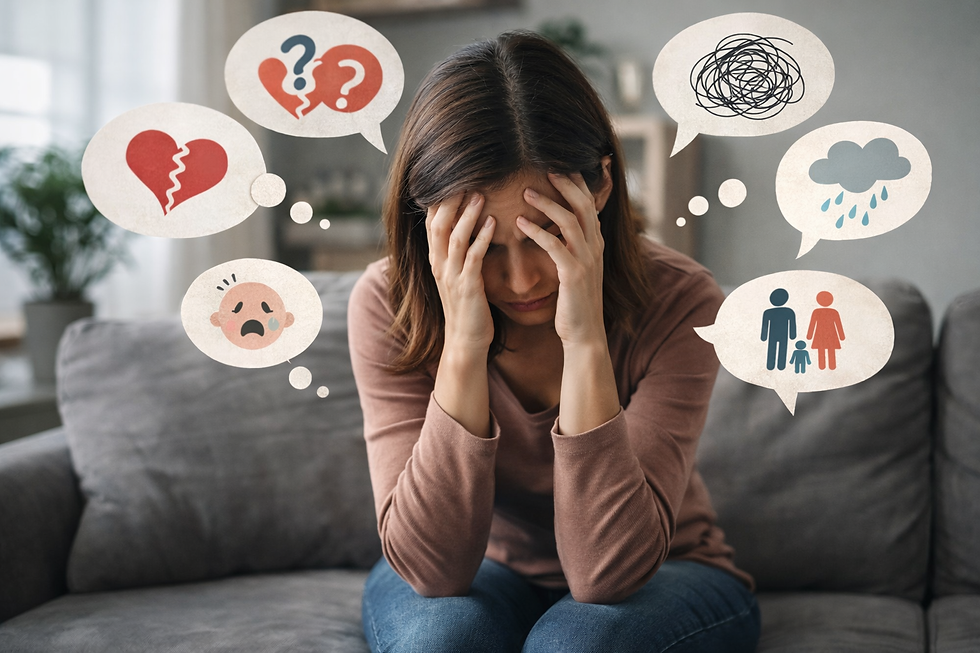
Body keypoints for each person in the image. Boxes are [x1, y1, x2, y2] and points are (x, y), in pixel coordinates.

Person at [347, 31, 759, 653]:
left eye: (543, 237)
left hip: (666, 569)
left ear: (599, 187)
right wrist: (462, 344)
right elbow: (434, 573)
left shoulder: (683, 302)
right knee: (440, 640)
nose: (521, 281)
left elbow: (606, 574)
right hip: (486, 567)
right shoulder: (388, 304)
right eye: (484, 247)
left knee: (576, 645)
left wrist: (585, 338)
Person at [806, 291, 845, 370]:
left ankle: (822, 366)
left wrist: (809, 336)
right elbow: (838, 325)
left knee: (821, 350)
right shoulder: (834, 312)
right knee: (831, 350)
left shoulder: (816, 312)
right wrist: (842, 336)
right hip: (831, 334)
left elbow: (812, 325)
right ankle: (831, 366)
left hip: (819, 334)